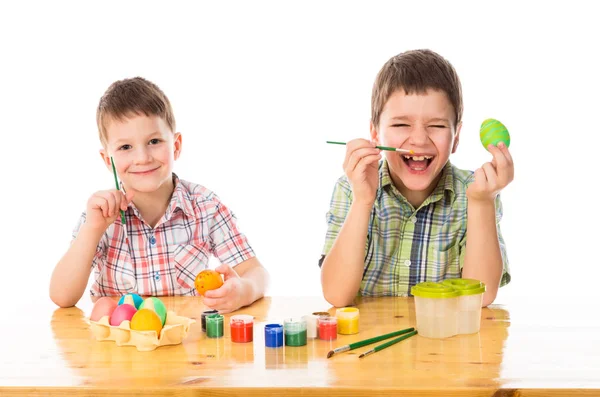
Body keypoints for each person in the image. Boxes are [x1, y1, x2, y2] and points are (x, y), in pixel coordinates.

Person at [50, 77, 268, 313]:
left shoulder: (205, 206)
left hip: (185, 345)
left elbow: (256, 272)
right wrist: (92, 230)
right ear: (107, 159)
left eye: (154, 141)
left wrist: (243, 290)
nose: (143, 158)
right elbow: (62, 296)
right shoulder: (100, 216)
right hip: (117, 348)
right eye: (125, 147)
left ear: (176, 145)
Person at [320, 49, 513, 308]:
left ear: (456, 138)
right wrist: (362, 202)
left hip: (445, 344)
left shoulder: (477, 192)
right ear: (375, 133)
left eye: (437, 125)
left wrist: (482, 203)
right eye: (401, 125)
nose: (419, 140)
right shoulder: (351, 187)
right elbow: (336, 294)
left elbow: (480, 297)